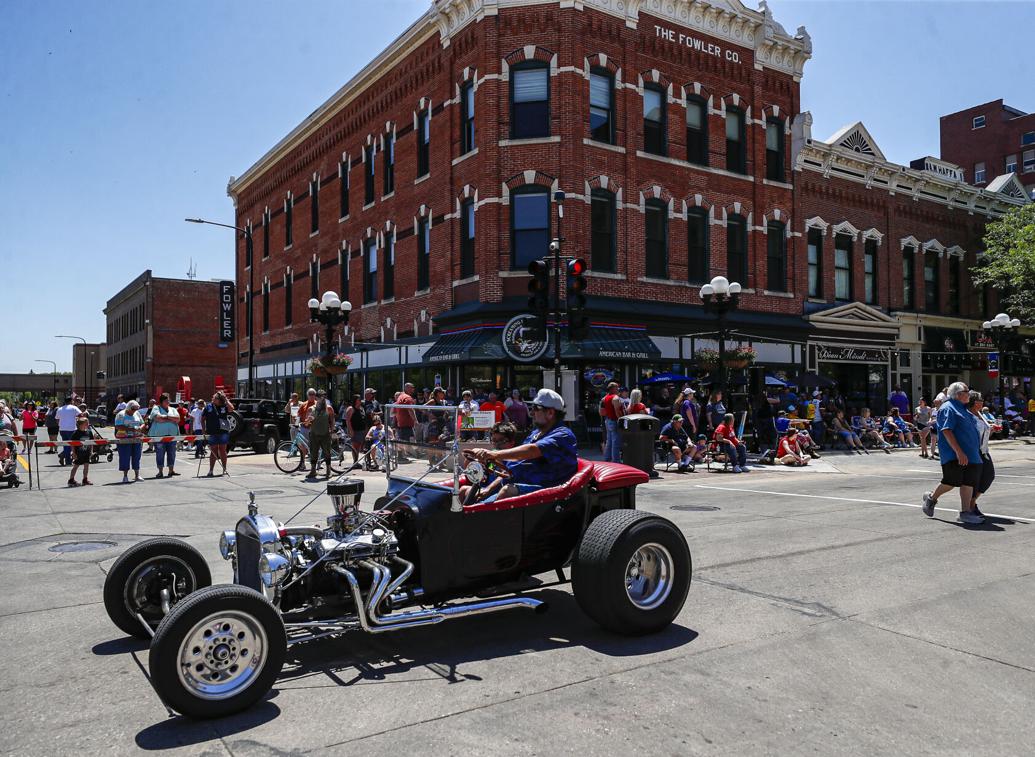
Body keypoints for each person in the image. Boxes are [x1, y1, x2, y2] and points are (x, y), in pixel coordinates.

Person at [466, 388, 578, 503]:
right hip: (514, 482)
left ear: (550, 413)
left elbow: (532, 450)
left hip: (547, 491)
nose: (531, 413)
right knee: (464, 491)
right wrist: (484, 463)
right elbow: (511, 468)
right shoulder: (536, 433)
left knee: (507, 491)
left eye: (535, 408)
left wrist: (492, 454)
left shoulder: (562, 435)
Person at [922, 382, 984, 525]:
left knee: (969, 482)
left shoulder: (964, 408)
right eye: (966, 391)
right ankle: (931, 498)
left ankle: (965, 513)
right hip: (954, 455)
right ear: (957, 394)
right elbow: (946, 430)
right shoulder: (948, 408)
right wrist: (959, 452)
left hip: (972, 454)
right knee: (951, 481)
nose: (969, 393)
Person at [966, 391, 995, 520]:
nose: (982, 402)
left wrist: (992, 429)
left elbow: (984, 432)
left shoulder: (980, 414)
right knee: (974, 480)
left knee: (989, 476)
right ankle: (970, 505)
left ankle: (973, 501)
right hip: (974, 451)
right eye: (979, 400)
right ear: (972, 402)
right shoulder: (967, 415)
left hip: (984, 451)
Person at [148, 393, 181, 478]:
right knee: (160, 453)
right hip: (159, 436)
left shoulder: (173, 409)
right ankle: (160, 471)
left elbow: (178, 419)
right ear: (161, 402)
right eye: (166, 400)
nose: (168, 402)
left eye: (168, 400)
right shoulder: (156, 408)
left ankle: (171, 470)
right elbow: (157, 419)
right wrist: (170, 418)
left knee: (172, 453)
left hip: (172, 435)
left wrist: (165, 417)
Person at [203, 391, 235, 477]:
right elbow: (203, 418)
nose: (213, 399)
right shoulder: (208, 407)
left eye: (215, 398)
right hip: (212, 432)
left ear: (219, 399)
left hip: (223, 431)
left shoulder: (224, 405)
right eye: (213, 397)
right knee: (213, 451)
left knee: (222, 451)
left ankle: (224, 469)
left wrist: (226, 399)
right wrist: (203, 430)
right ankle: (211, 470)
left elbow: (232, 408)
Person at [114, 400, 144, 483]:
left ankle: (137, 475)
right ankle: (125, 476)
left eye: (136, 409)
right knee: (125, 457)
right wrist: (131, 429)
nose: (135, 411)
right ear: (128, 408)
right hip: (124, 439)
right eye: (133, 409)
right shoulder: (121, 414)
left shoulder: (137, 414)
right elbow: (118, 426)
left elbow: (142, 423)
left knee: (137, 456)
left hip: (136, 438)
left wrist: (140, 428)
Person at [306, 393, 335, 479]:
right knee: (313, 452)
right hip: (314, 434)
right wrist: (309, 419)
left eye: (323, 397)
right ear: (316, 398)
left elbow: (332, 419)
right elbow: (307, 422)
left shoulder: (329, 408)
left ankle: (328, 471)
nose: (322, 399)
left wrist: (332, 430)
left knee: (327, 453)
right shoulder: (311, 409)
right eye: (320, 397)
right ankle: (313, 470)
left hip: (325, 434)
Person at [600, 382, 625, 463]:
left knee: (609, 441)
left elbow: (601, 412)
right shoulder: (615, 398)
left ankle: (607, 459)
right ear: (613, 389)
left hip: (608, 421)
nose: (618, 389)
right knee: (615, 443)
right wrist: (621, 420)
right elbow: (617, 411)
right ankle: (616, 461)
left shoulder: (605, 398)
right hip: (614, 421)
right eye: (617, 387)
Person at [67, 414, 93, 486]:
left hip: (86, 452)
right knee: (76, 466)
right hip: (78, 452)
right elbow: (72, 444)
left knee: (86, 465)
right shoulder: (76, 433)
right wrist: (73, 453)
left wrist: (91, 451)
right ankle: (71, 480)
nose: (88, 424)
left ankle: (85, 479)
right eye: (86, 423)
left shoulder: (89, 432)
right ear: (81, 425)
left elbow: (91, 442)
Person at [55, 395, 81, 466]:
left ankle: (67, 460)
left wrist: (60, 425)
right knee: (74, 445)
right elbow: (81, 415)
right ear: (71, 401)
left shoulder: (60, 409)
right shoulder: (74, 407)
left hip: (62, 429)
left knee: (66, 445)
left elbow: (57, 419)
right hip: (72, 429)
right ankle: (72, 459)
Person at [344, 394, 368, 466]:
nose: (361, 400)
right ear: (355, 400)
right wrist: (350, 430)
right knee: (355, 446)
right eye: (359, 399)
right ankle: (355, 462)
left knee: (359, 447)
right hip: (355, 430)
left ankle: (356, 462)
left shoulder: (361, 408)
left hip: (362, 430)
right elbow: (347, 421)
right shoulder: (351, 409)